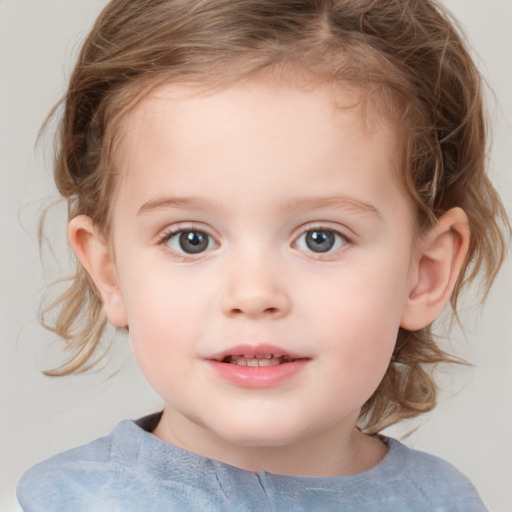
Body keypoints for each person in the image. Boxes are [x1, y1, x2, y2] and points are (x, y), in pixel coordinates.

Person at [16, 0, 509, 510]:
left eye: (321, 238)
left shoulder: (445, 501)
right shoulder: (68, 502)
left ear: (424, 274)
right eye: (192, 239)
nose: (253, 294)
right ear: (110, 273)